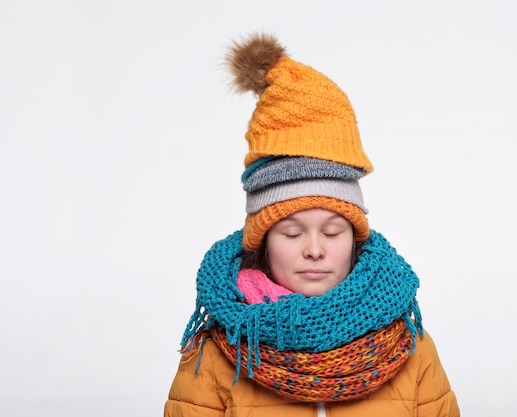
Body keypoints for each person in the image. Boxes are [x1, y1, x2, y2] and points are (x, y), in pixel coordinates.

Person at [164, 33, 460, 417]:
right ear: (262, 241)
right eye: (291, 232)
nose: (315, 249)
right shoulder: (215, 354)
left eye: (333, 231)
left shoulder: (408, 346)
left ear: (355, 238)